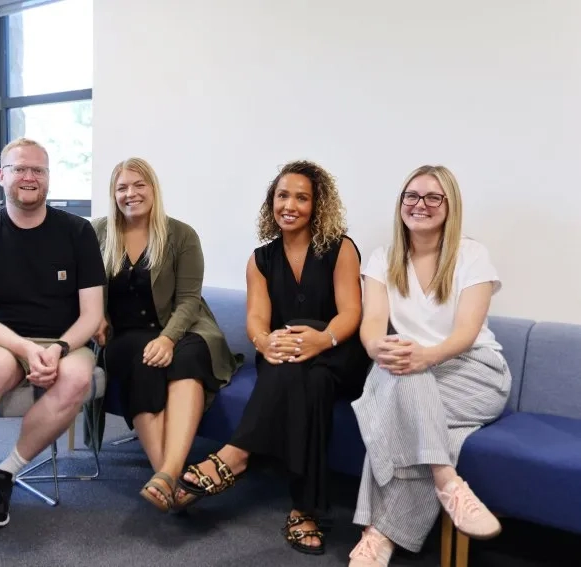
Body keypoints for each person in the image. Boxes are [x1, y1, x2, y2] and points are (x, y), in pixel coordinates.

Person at [174, 160, 370, 555]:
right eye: (283, 195)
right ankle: (305, 508)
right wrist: (263, 343)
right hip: (288, 359)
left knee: (301, 330)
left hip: (338, 353)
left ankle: (237, 454)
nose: (290, 205)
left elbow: (351, 312)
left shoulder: (339, 248)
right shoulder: (260, 260)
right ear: (271, 202)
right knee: (309, 378)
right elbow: (257, 321)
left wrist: (323, 339)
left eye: (302, 197)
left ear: (318, 205)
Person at [347, 165, 510, 567]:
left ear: (449, 206)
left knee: (401, 386)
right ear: (401, 204)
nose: (421, 205)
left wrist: (423, 356)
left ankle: (377, 534)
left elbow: (466, 333)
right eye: (412, 196)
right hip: (415, 374)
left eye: (433, 197)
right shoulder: (382, 259)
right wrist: (377, 349)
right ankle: (448, 484)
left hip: (475, 374)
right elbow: (371, 327)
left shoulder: (472, 254)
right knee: (402, 372)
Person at [0, 137, 105, 530]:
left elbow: (92, 315)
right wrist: (26, 349)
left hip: (66, 339)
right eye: (19, 169)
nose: (30, 177)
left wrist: (60, 348)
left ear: (48, 178)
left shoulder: (78, 232)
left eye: (39, 170)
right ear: (2, 176)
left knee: (78, 376)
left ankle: (5, 475)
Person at [90, 157, 240, 511]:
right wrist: (97, 317)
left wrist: (168, 339)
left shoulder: (181, 235)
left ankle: (167, 474)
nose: (131, 194)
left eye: (139, 185)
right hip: (124, 334)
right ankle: (170, 481)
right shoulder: (97, 233)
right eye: (122, 187)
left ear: (153, 189)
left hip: (183, 327)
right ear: (113, 194)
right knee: (138, 359)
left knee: (186, 358)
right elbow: (88, 288)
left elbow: (188, 301)